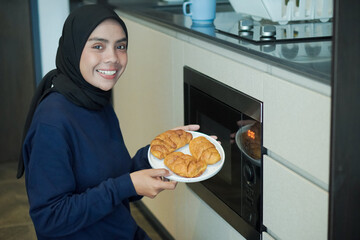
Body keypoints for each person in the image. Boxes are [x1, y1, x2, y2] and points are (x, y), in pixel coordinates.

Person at [17, 4, 200, 240]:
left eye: (120, 46)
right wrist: (127, 185)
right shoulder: (52, 121)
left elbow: (117, 182)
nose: (113, 58)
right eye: (98, 46)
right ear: (74, 48)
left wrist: (157, 151)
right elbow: (49, 220)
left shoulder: (96, 100)